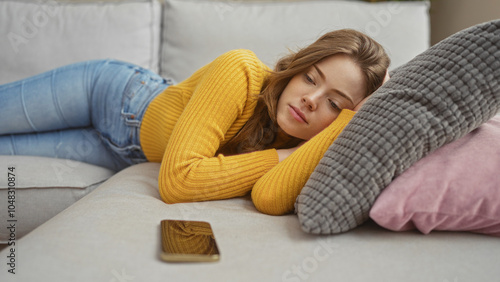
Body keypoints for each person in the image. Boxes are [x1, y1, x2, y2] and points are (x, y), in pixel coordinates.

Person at [0, 29, 390, 215]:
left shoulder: (310, 145)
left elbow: (270, 198)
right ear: (297, 69)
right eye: (310, 78)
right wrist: (283, 156)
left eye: (334, 104)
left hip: (123, 153)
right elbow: (178, 182)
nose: (311, 99)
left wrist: (351, 121)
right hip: (112, 95)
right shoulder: (240, 71)